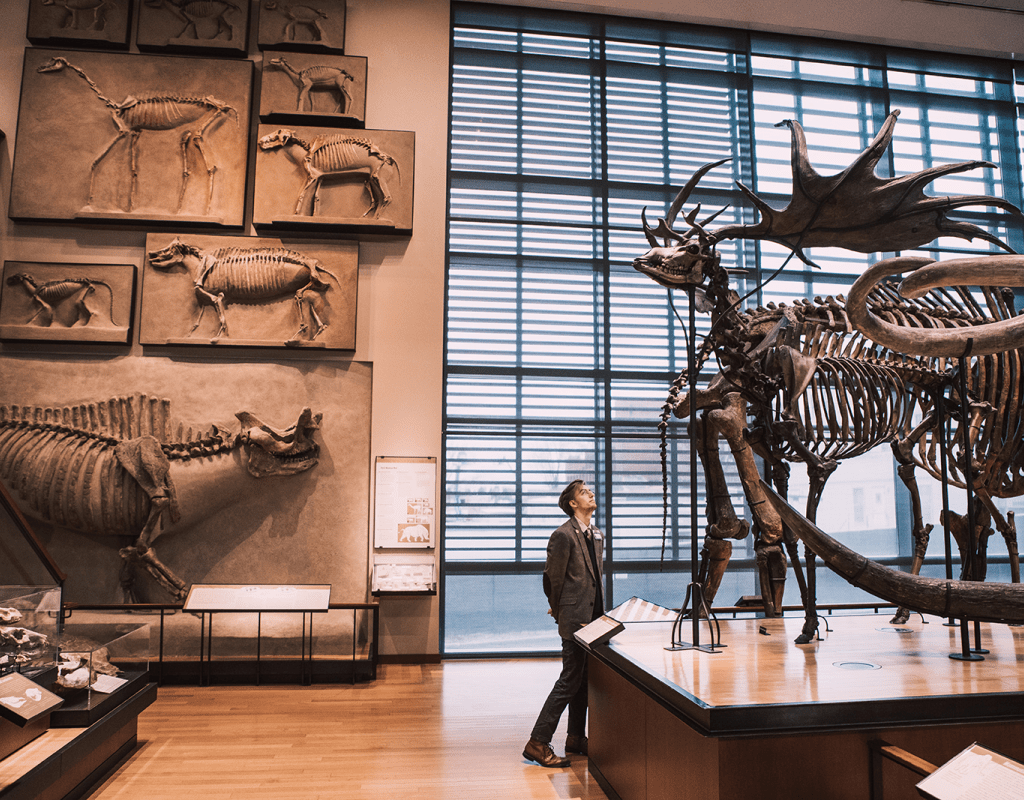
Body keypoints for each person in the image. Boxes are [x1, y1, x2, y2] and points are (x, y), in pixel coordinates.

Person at [523, 479, 604, 768]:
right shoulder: (563, 535)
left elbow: (594, 578)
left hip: (595, 620)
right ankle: (537, 741)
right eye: (584, 492)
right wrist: (560, 612)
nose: (591, 494)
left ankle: (575, 737)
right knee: (569, 680)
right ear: (573, 503)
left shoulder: (596, 534)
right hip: (574, 619)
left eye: (589, 490)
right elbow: (552, 580)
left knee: (582, 681)